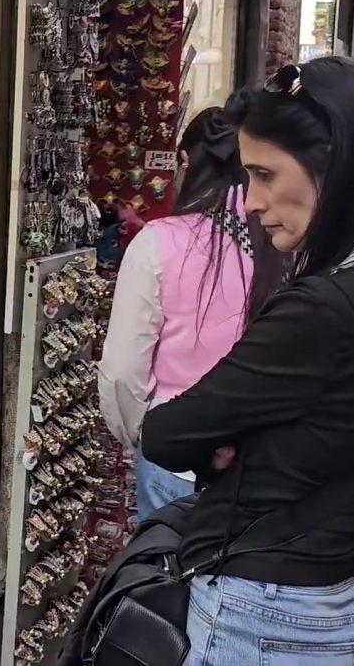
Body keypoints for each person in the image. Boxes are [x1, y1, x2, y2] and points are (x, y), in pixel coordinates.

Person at [142, 56, 354, 665]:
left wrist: (238, 444)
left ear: (334, 167)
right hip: (351, 589)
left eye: (264, 174)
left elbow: (168, 434)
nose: (250, 202)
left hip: (269, 610)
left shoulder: (325, 308)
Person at [97, 106, 280, 519]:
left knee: (169, 556)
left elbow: (123, 369)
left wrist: (141, 435)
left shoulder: (159, 242)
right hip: (263, 456)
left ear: (185, 161)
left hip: (177, 452)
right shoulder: (279, 241)